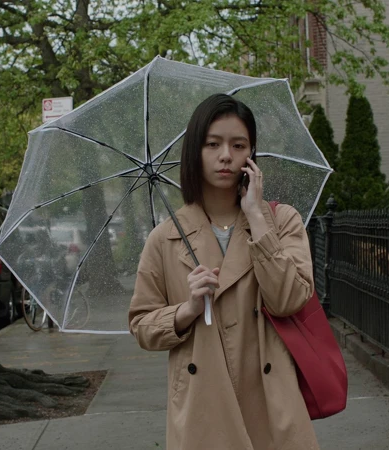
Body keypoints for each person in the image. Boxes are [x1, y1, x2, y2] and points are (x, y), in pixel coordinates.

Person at [128, 94, 320, 449]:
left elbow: (289, 299)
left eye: (238, 145)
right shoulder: (166, 237)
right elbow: (142, 325)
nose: (226, 155)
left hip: (271, 401)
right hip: (203, 406)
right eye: (212, 144)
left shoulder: (281, 221)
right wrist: (186, 310)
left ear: (252, 154)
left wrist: (257, 219)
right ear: (194, 152)